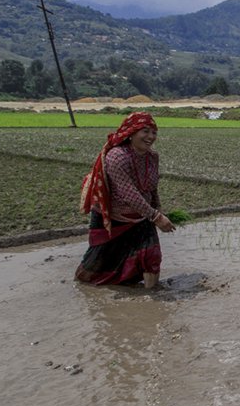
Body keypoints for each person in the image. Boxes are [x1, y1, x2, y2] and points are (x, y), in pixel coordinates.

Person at [75, 112, 176, 287]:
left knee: (151, 255)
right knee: (96, 264)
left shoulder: (152, 157)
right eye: (145, 131)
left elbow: (152, 187)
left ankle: (151, 295)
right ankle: (83, 288)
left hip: (142, 214)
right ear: (131, 132)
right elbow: (128, 193)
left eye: (154, 132)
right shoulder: (117, 157)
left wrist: (157, 209)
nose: (150, 137)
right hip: (113, 218)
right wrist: (156, 217)